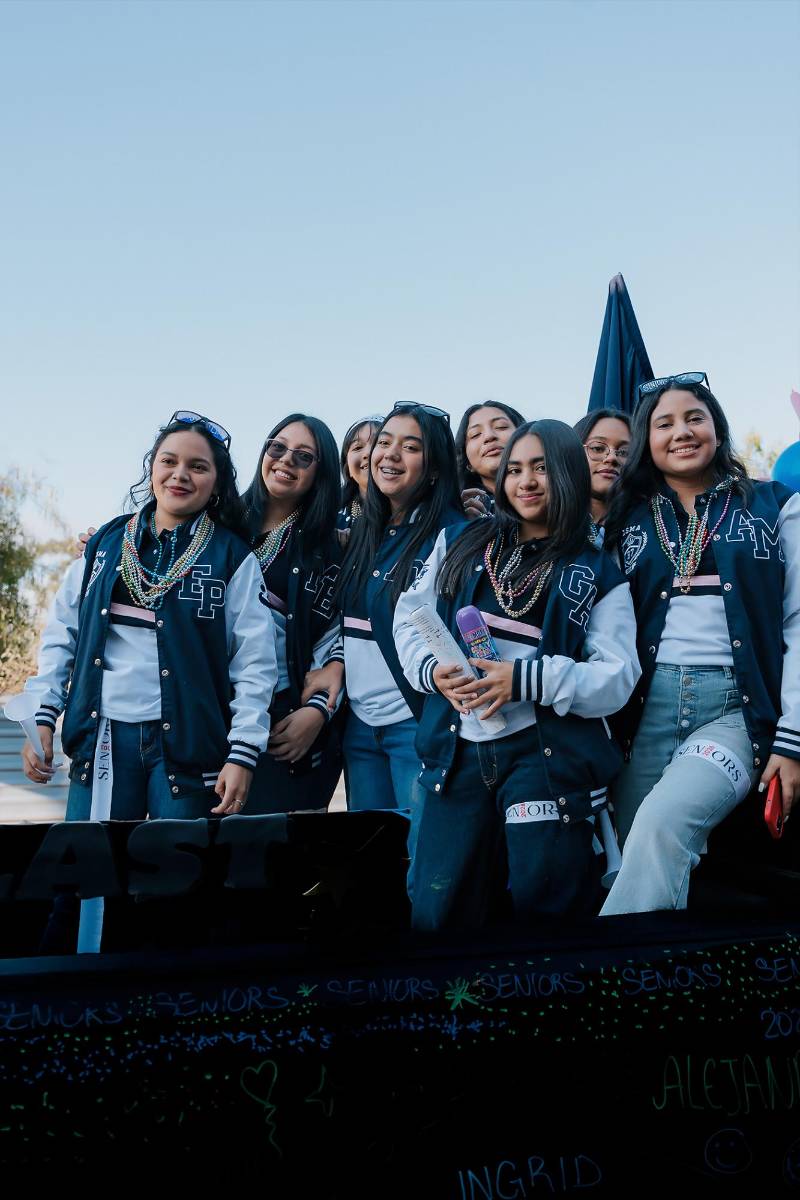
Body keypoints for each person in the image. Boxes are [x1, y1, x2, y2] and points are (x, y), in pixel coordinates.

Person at [393, 420, 640, 930]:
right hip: (454, 753)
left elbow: (617, 678)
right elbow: (409, 616)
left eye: (542, 468)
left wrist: (525, 680)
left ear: (570, 473)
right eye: (515, 469)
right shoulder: (460, 542)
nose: (526, 481)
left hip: (544, 760)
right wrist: (433, 672)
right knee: (438, 909)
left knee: (544, 909)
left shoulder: (599, 570)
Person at [599, 373, 800, 914]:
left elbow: (799, 622)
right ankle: (656, 962)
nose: (682, 432)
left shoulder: (776, 505)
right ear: (647, 441)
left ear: (717, 428)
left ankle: (621, 966)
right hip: (645, 712)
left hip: (737, 711)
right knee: (628, 855)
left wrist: (792, 740)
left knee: (662, 826)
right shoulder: (625, 521)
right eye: (664, 424)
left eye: (695, 418)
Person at [22, 411, 277, 819]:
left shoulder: (232, 558)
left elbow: (254, 661)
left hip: (187, 749)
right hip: (100, 739)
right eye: (168, 461)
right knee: (92, 859)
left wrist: (243, 751)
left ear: (216, 483)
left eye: (198, 467)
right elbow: (62, 634)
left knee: (177, 861)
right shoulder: (105, 545)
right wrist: (43, 715)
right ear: (152, 468)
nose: (180, 475)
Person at [337, 402, 463, 851]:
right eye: (384, 442)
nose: (389, 454)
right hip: (359, 725)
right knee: (370, 861)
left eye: (410, 447)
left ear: (434, 467)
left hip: (416, 722)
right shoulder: (360, 531)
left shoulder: (455, 533)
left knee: (423, 857)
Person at [241, 414, 345, 813]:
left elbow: (339, 637)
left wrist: (317, 711)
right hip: (206, 720)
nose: (286, 460)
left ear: (321, 472)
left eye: (303, 456)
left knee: (274, 846)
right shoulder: (218, 524)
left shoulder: (331, 549)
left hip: (284, 724)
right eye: (277, 447)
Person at [455, 402, 524, 519]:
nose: (489, 436)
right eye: (475, 434)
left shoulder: (553, 499)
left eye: (501, 427)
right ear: (468, 463)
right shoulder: (455, 520)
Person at [572, 408, 631, 543]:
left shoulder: (652, 526)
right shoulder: (545, 524)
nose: (612, 458)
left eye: (624, 452)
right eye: (598, 448)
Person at [337, 415, 383, 533]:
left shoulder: (417, 516)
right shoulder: (331, 520)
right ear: (347, 468)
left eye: (379, 443)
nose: (368, 453)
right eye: (357, 447)